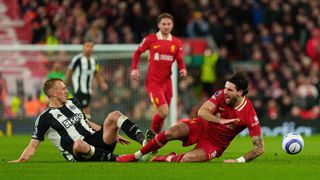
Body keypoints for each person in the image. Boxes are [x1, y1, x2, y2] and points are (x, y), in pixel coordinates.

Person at [117, 71, 264, 163]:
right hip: (201, 126)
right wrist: (219, 120)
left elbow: (259, 148)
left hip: (215, 144)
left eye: (229, 90)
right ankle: (136, 156)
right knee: (170, 132)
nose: (225, 91)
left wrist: (238, 161)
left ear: (240, 93)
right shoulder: (221, 95)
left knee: (189, 159)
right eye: (225, 87)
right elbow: (202, 112)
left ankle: (167, 158)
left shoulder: (249, 115)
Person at [9, 78, 155, 163]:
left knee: (115, 115)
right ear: (53, 93)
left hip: (97, 141)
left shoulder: (73, 102)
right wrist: (21, 160)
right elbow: (33, 146)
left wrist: (113, 134)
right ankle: (124, 158)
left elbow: (87, 123)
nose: (66, 91)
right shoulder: (45, 118)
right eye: (63, 89)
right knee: (79, 144)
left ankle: (145, 143)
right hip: (79, 152)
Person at [131, 13, 187, 133]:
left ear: (172, 25)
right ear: (158, 25)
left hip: (168, 83)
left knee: (163, 114)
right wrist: (134, 68)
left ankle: (153, 136)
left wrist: (183, 68)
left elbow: (180, 58)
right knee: (164, 111)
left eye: (168, 24)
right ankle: (153, 133)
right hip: (154, 83)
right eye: (164, 24)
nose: (166, 26)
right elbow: (137, 52)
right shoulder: (151, 39)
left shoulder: (176, 42)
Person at [64, 40, 108, 120]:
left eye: (91, 46)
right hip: (78, 89)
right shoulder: (77, 59)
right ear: (83, 47)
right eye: (87, 46)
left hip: (88, 90)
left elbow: (96, 73)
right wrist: (64, 86)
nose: (89, 48)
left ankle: (84, 128)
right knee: (83, 110)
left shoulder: (94, 60)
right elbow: (69, 72)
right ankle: (84, 128)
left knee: (85, 110)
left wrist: (102, 83)